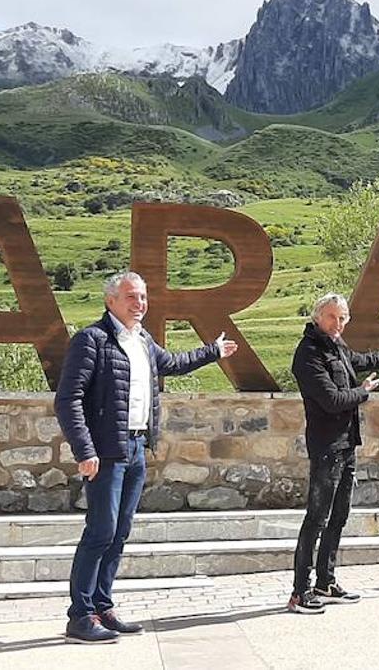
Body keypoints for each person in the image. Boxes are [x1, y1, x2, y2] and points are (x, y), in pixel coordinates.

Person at [55, 271, 238, 643]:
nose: (140, 304)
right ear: (111, 301)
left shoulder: (142, 340)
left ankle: (103, 606)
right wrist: (85, 450)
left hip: (137, 448)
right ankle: (80, 615)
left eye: (143, 297)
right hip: (106, 452)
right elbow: (68, 400)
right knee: (100, 531)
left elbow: (172, 363)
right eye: (131, 297)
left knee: (120, 532)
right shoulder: (92, 341)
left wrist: (212, 351)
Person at [288, 292, 379, 614]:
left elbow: (362, 360)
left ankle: (325, 582)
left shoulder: (335, 347)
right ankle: (300, 592)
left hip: (346, 444)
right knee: (317, 520)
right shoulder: (308, 354)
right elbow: (331, 400)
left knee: (338, 517)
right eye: (332, 317)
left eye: (343, 318)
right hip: (326, 448)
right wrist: (362, 392)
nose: (338, 324)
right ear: (317, 317)